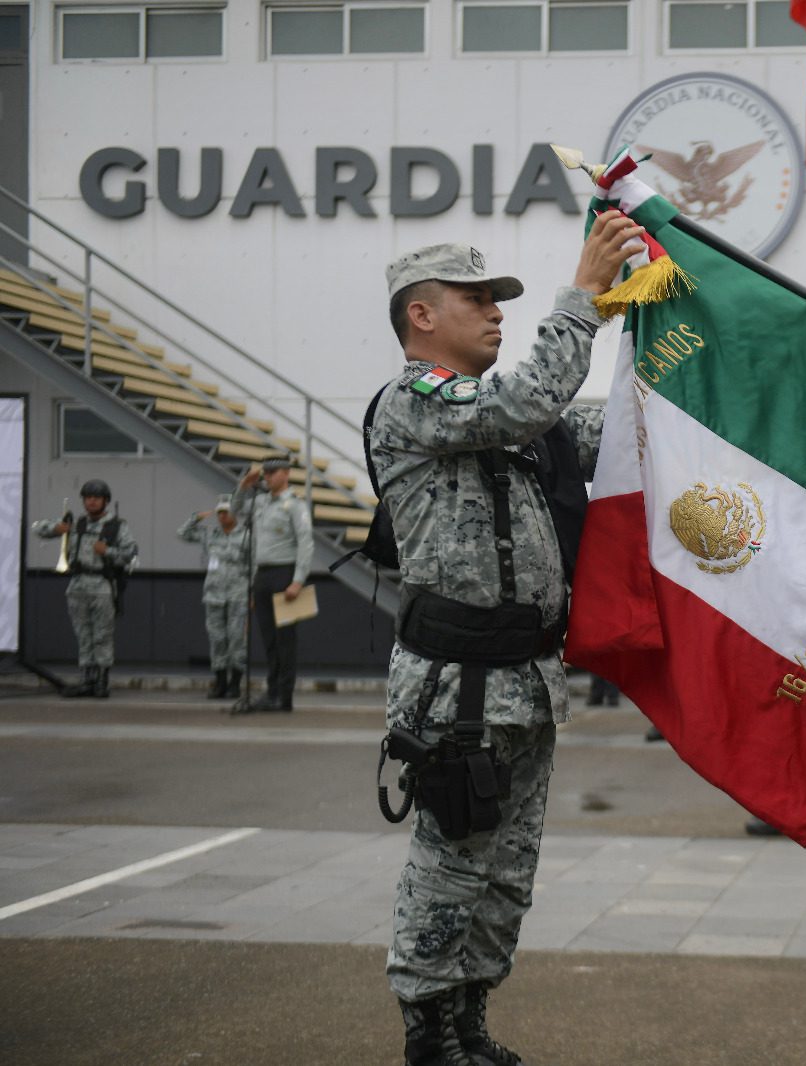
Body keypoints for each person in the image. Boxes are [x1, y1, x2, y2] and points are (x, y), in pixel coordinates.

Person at [373, 222, 642, 1066]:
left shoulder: (523, 422)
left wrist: (672, 357)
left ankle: (470, 1024)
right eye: (477, 300)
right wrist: (585, 301)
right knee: (452, 861)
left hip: (529, 678)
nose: (495, 314)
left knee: (504, 873)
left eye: (497, 302)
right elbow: (523, 401)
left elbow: (627, 436)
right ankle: (428, 1032)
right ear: (421, 315)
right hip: (458, 689)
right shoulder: (417, 400)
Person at [31, 479, 136, 698]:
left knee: (102, 636)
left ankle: (102, 682)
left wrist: (107, 551)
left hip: (102, 587)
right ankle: (87, 680)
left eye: (96, 498)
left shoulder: (117, 526)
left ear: (105, 501)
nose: (92, 502)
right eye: (88, 498)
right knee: (84, 636)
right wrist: (57, 528)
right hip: (77, 586)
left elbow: (130, 555)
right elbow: (37, 528)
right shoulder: (76, 524)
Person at [232, 455, 313, 712]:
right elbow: (235, 512)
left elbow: (305, 543)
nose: (266, 476)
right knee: (268, 640)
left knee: (285, 641)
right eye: (265, 473)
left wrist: (298, 580)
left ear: (286, 473)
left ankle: (284, 696)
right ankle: (272, 691)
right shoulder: (261, 502)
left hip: (284, 574)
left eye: (272, 472)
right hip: (263, 575)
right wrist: (244, 485)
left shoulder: (295, 505)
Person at [177, 496, 251, 698]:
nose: (222, 515)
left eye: (226, 511)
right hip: (214, 595)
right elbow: (182, 533)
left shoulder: (246, 536)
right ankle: (220, 683)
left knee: (236, 640)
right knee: (217, 640)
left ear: (235, 513)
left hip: (238, 595)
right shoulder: (210, 535)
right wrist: (196, 518)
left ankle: (235, 684)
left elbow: (256, 566)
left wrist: (252, 594)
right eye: (219, 512)